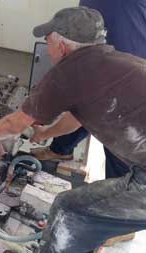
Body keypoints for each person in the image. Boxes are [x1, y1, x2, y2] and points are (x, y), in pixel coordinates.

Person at [0, 7, 146, 253]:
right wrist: (44, 134)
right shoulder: (113, 61)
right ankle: (88, 241)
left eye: (48, 43)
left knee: (68, 210)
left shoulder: (68, 73)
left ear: (62, 46)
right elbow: (78, 117)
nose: (48, 50)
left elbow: (14, 124)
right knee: (91, 214)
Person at [31, 0, 146, 179]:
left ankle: (117, 195)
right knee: (82, 106)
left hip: (124, 69)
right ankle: (61, 149)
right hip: (94, 58)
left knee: (119, 143)